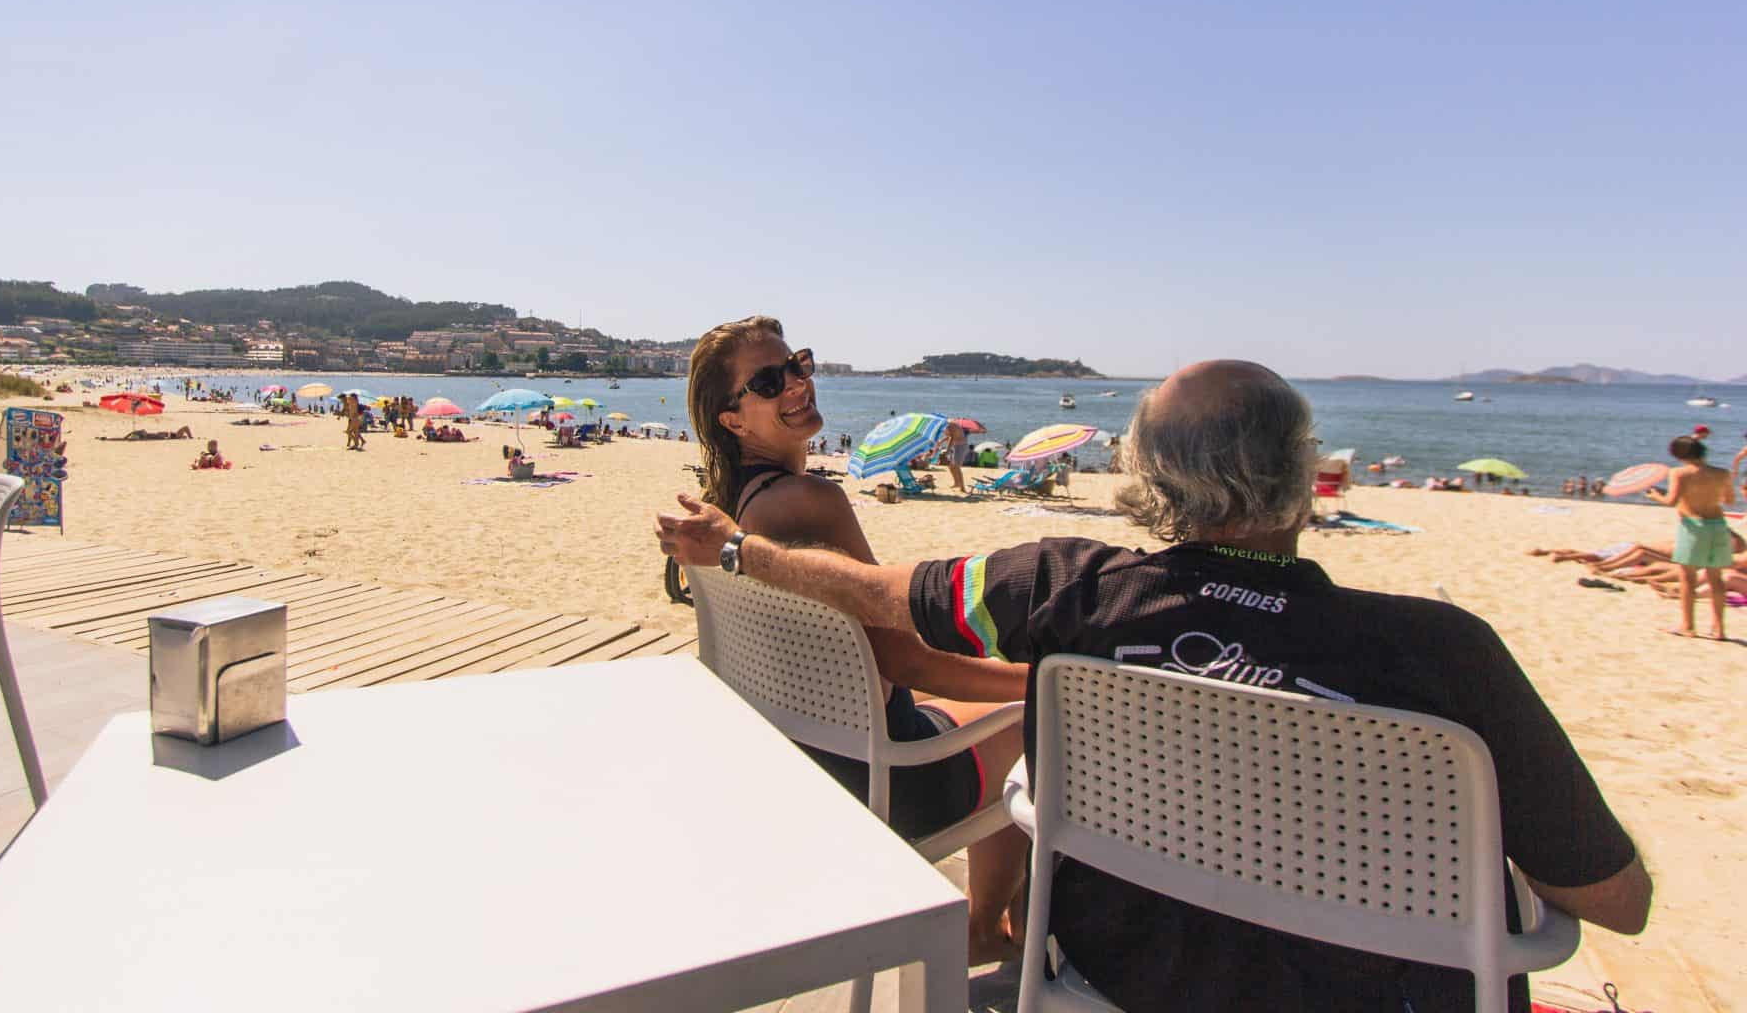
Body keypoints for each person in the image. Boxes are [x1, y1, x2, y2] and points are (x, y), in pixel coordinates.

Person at [659, 359, 1650, 1011]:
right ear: (1305, 478)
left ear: (1146, 477)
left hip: (1116, 973)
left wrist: (737, 549)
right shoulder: (1439, 652)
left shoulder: (1058, 586)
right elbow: (1613, 898)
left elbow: (876, 591)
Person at [686, 317, 1030, 963]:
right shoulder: (807, 501)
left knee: (1001, 684)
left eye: (798, 365)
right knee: (1039, 720)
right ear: (733, 419)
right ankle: (991, 928)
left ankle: (999, 923)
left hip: (812, 765)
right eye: (769, 380)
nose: (796, 384)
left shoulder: (736, 504)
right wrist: (1039, 685)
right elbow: (903, 658)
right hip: (888, 783)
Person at [1644, 435, 1738, 640]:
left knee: (1687, 578)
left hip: (1693, 527)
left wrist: (1654, 496)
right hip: (1718, 526)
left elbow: (1671, 501)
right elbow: (1730, 501)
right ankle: (1719, 629)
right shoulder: (1723, 473)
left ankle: (1688, 626)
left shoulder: (1679, 473)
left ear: (1680, 455)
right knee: (1716, 579)